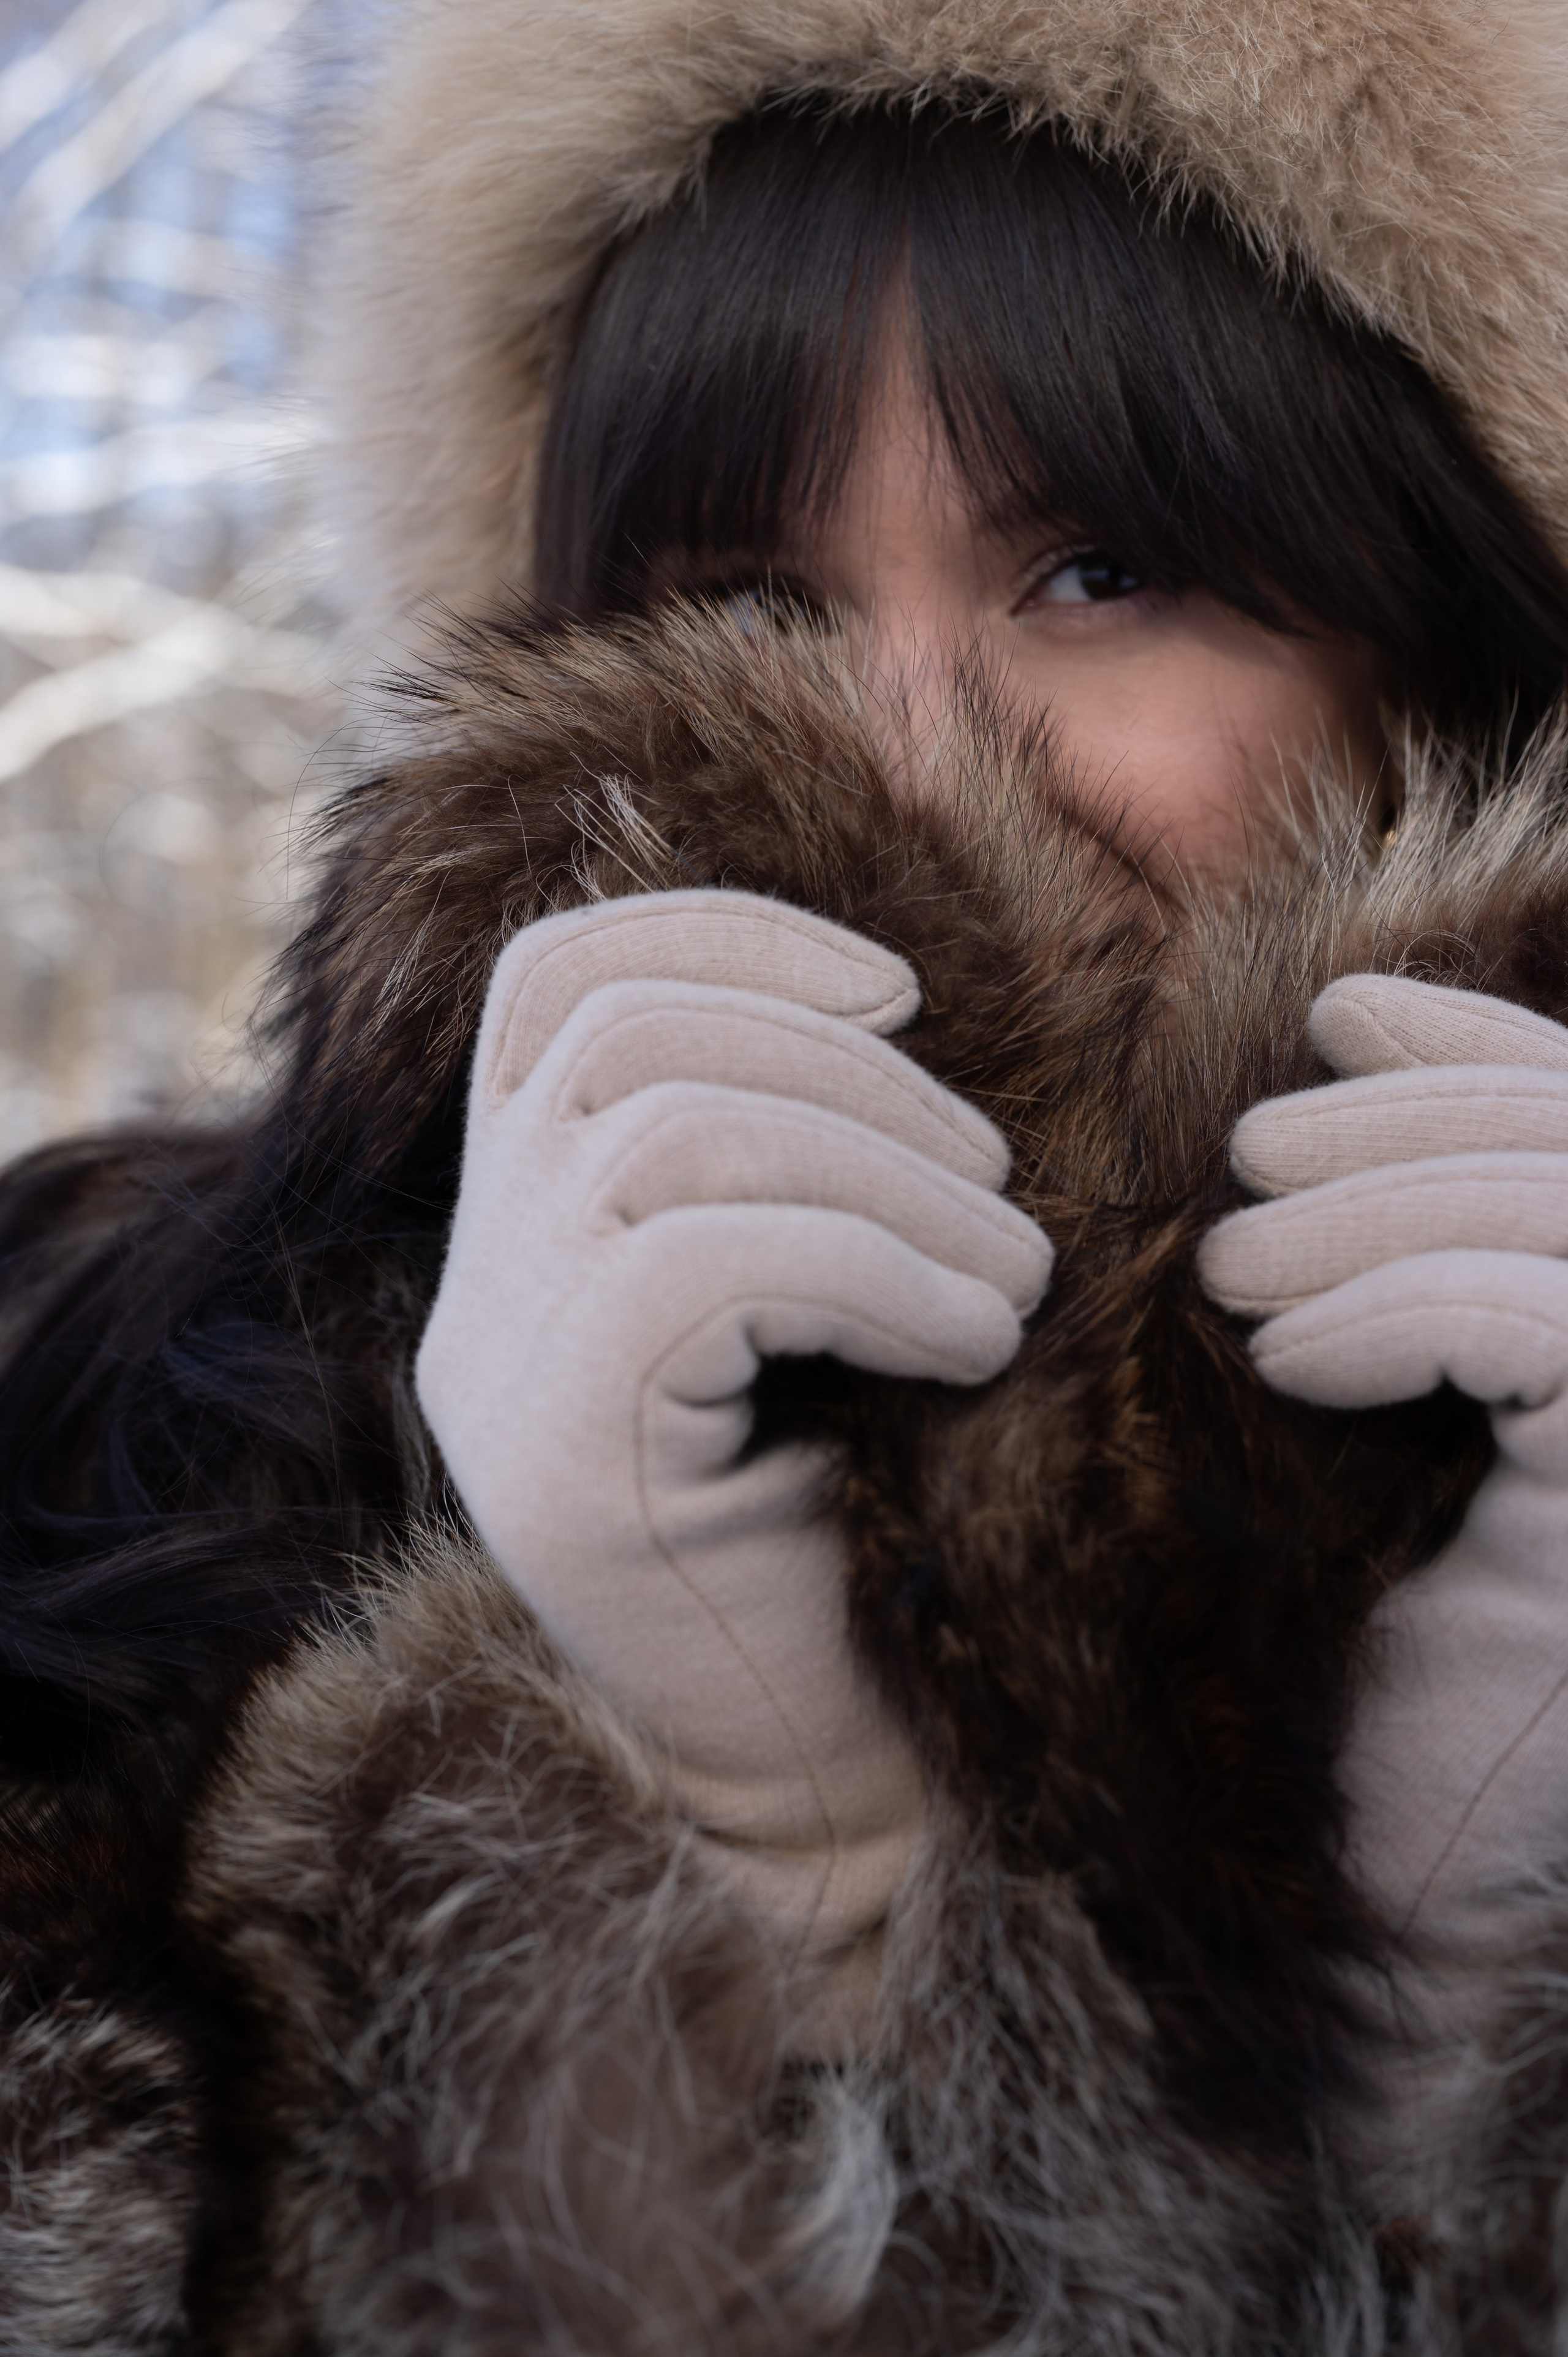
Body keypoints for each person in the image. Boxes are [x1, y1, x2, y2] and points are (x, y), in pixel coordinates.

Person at [6, 3, 1568, 2348]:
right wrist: (718, 1869)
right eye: (746, 601)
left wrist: (1479, 2015)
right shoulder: (93, 1423)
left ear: (1434, 644)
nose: (907, 747)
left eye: (1102, 567)